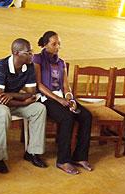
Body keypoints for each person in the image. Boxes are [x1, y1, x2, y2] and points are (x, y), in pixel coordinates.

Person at [0, 38, 47, 174]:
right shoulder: (1, 66)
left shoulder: (29, 67)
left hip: (12, 99)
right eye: (28, 52)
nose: (32, 55)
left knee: (39, 109)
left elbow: (31, 93)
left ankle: (33, 152)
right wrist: (22, 102)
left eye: (32, 51)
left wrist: (12, 95)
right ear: (16, 53)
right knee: (3, 111)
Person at [34, 31, 92, 175]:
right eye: (54, 44)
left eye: (59, 43)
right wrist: (59, 99)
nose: (57, 47)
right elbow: (39, 84)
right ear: (45, 44)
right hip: (46, 98)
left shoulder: (61, 63)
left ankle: (80, 157)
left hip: (62, 98)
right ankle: (63, 161)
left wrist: (70, 98)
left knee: (86, 116)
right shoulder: (37, 59)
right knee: (67, 118)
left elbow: (66, 86)